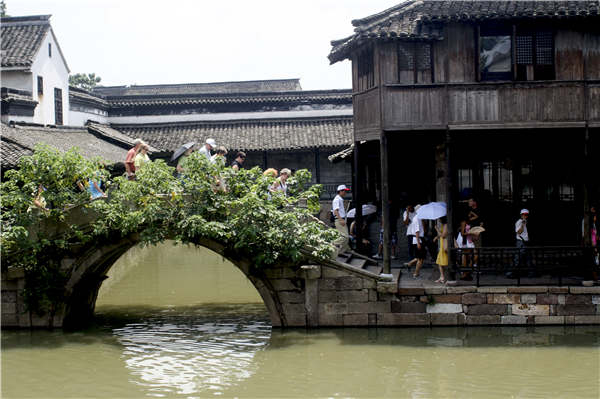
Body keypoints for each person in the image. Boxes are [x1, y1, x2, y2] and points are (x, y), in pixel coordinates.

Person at [508, 209, 530, 278]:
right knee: (518, 258)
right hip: (521, 242)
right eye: (524, 214)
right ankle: (511, 273)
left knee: (527, 258)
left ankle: (529, 272)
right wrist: (523, 225)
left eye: (526, 214)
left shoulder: (524, 221)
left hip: (524, 242)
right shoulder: (519, 222)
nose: (525, 216)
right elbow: (518, 232)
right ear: (521, 215)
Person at [331, 184, 351, 255]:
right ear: (340, 191)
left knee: (346, 237)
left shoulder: (339, 199)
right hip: (339, 220)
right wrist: (341, 220)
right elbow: (335, 211)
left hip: (341, 219)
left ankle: (342, 251)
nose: (346, 192)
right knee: (345, 237)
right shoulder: (337, 199)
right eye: (345, 191)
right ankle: (333, 244)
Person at [407, 210, 426, 278]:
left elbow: (422, 229)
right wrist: (418, 243)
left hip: (419, 239)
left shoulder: (419, 218)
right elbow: (417, 231)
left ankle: (409, 264)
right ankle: (416, 273)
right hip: (418, 239)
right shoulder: (417, 219)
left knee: (420, 257)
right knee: (420, 258)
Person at [433, 216, 449, 283]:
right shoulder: (444, 225)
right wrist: (437, 237)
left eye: (439, 219)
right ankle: (442, 277)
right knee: (440, 262)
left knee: (443, 262)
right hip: (442, 244)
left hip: (444, 244)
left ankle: (443, 277)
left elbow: (443, 235)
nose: (438, 220)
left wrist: (437, 229)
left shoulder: (446, 225)